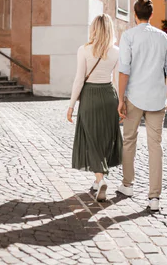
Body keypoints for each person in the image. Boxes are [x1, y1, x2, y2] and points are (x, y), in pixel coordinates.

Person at [116, 0, 167, 212]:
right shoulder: (164, 37)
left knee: (129, 140)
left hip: (134, 96)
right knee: (155, 146)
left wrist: (120, 99)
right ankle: (154, 198)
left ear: (135, 14)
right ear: (151, 14)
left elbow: (124, 70)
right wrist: (166, 96)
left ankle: (128, 185)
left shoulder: (129, 36)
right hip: (156, 99)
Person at [67, 14, 123, 202]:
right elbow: (116, 80)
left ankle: (101, 178)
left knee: (91, 139)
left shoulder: (83, 50)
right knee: (105, 139)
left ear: (94, 29)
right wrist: (121, 102)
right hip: (109, 96)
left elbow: (79, 79)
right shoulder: (116, 51)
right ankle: (98, 180)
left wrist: (71, 104)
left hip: (90, 96)